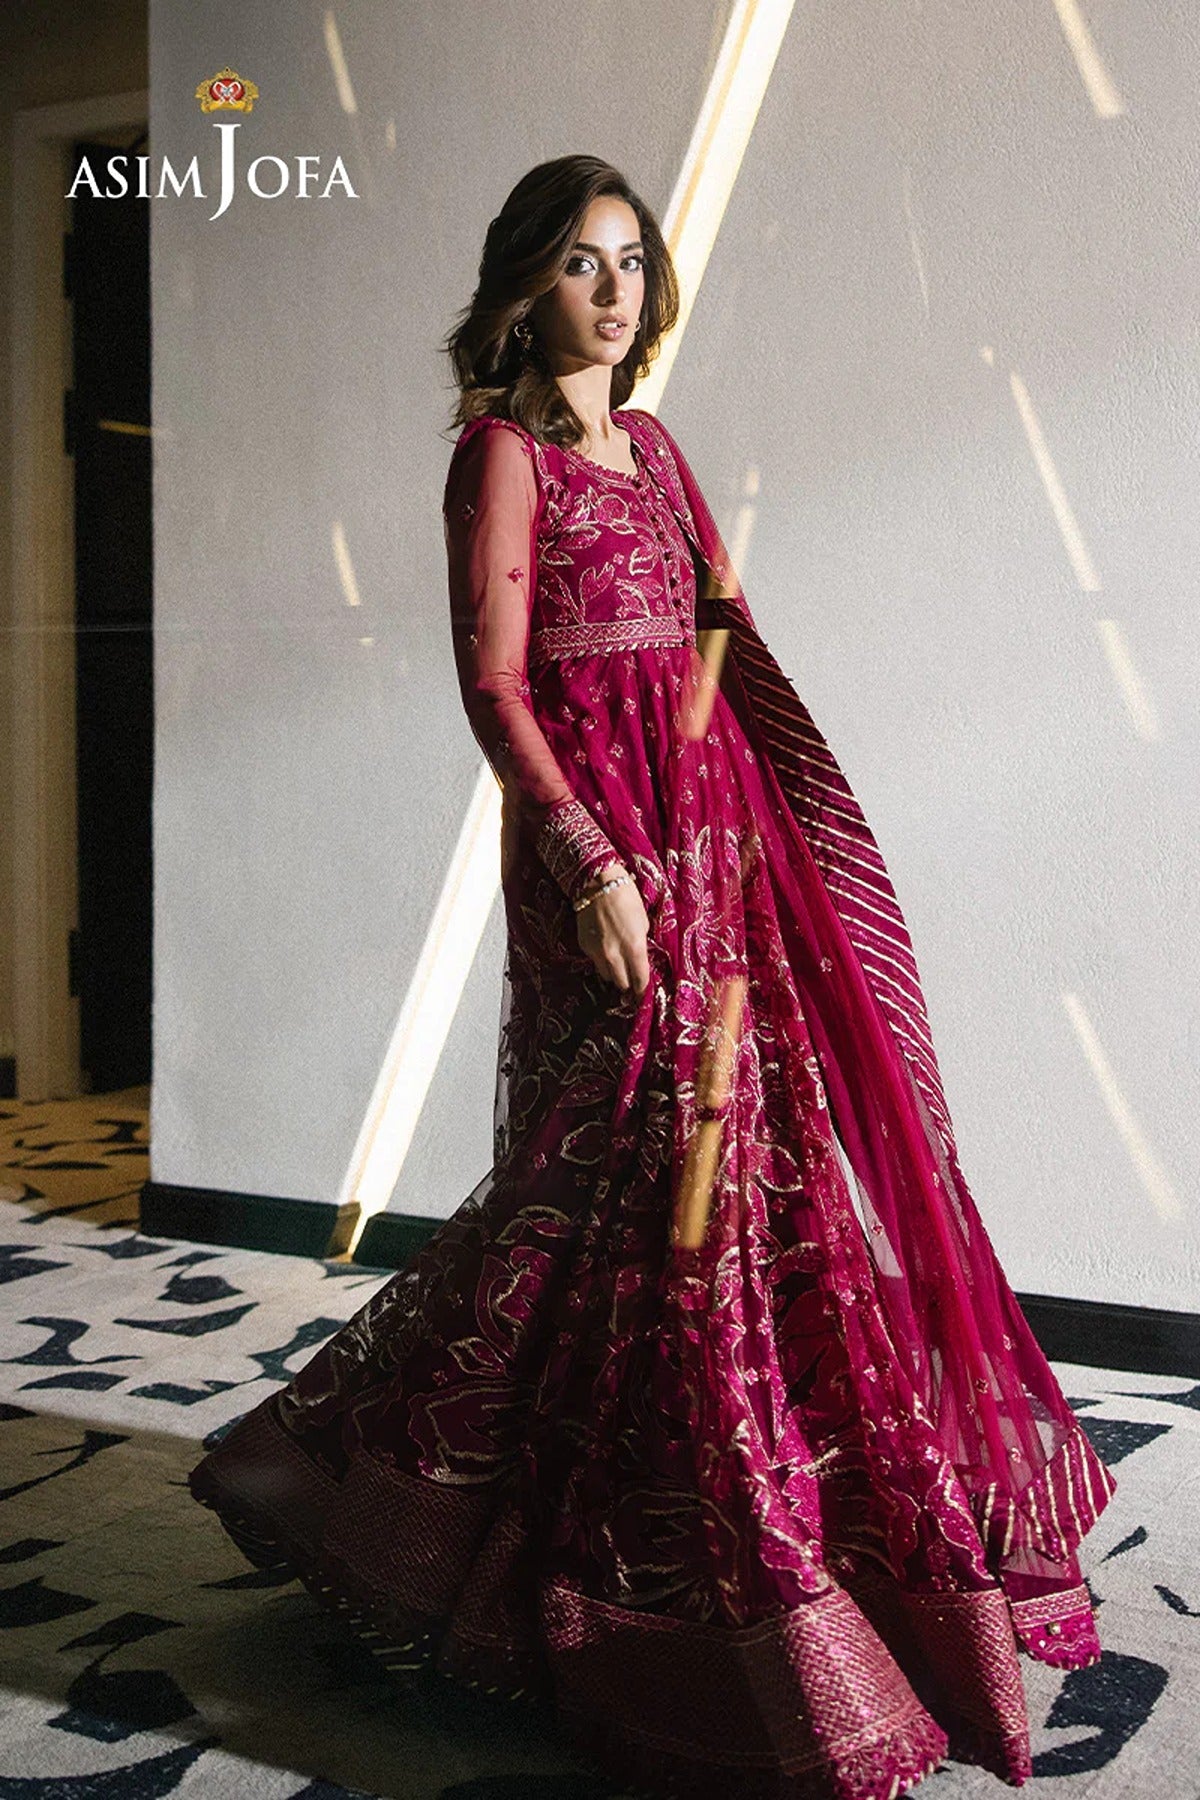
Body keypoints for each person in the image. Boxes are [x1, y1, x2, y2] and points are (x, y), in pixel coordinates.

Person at [188, 155, 1117, 1799]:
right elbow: (495, 686)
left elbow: (717, 643)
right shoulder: (502, 455)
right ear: (522, 286)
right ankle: (397, 1492)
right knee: (612, 1190)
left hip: (716, 857)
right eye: (579, 262)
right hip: (600, 870)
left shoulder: (661, 449)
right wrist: (594, 867)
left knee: (726, 1193)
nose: (612, 291)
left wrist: (763, 838)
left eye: (630, 261)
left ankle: (738, 1522)